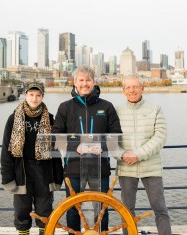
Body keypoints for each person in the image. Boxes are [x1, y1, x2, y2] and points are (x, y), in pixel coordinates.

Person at [52, 65, 122, 234]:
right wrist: (77, 147)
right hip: (73, 166)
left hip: (101, 165)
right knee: (73, 209)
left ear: (94, 82)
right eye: (81, 80)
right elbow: (56, 136)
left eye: (88, 80)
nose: (85, 84)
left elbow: (116, 135)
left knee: (102, 209)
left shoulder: (107, 106)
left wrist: (101, 146)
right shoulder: (65, 107)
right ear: (75, 82)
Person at [0, 81, 63, 235]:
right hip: (22, 170)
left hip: (44, 170)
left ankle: (45, 232)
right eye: (31, 95)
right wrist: (7, 177)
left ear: (42, 96)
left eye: (38, 95)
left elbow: (55, 151)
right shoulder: (14, 118)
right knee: (22, 210)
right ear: (25, 95)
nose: (34, 98)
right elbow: (6, 151)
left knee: (45, 208)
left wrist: (58, 175)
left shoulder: (50, 119)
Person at [116, 74, 172, 235]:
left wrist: (138, 154)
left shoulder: (155, 108)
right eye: (128, 87)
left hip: (151, 167)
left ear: (143, 88)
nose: (132, 90)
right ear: (123, 90)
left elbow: (160, 137)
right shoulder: (116, 111)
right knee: (126, 210)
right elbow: (110, 140)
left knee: (159, 208)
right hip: (126, 167)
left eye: (135, 87)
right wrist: (122, 155)